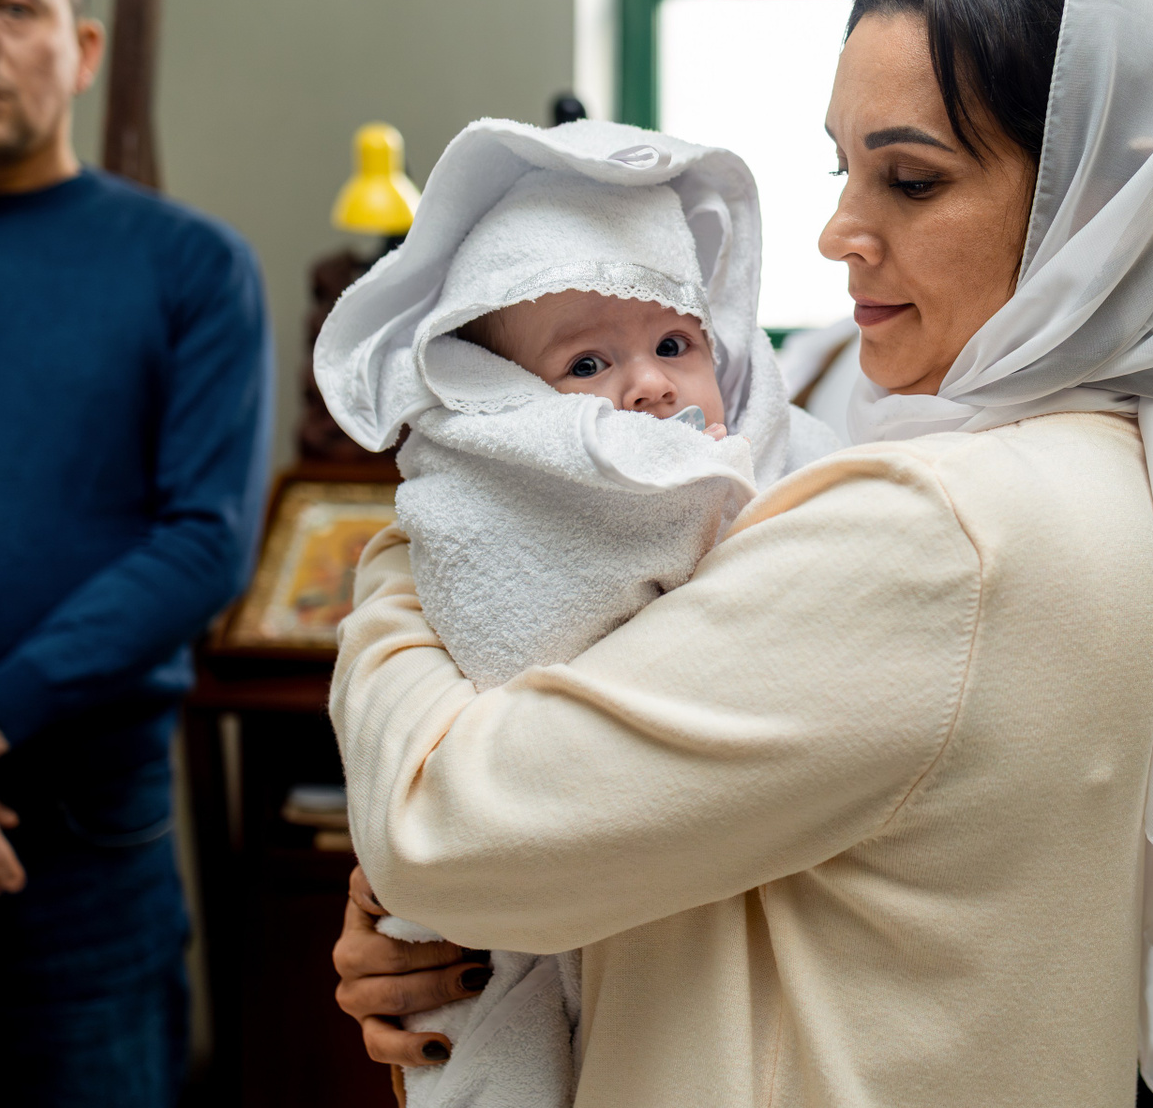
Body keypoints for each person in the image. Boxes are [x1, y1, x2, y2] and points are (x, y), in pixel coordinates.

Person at [330, 0, 1153, 1107]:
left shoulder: (944, 535)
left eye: (912, 178)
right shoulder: (1107, 468)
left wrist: (414, 542)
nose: (838, 233)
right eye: (844, 168)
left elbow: (443, 827)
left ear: (1098, 197)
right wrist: (474, 943)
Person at [311, 116, 835, 1108]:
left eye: (675, 344)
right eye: (587, 366)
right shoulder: (507, 497)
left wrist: (428, 849)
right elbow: (479, 607)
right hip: (532, 884)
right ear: (505, 403)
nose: (649, 387)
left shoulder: (806, 468)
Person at [0, 0, 271, 1104]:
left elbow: (204, 544)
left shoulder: (191, 265)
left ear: (79, 52)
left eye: (12, 6)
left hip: (87, 829)